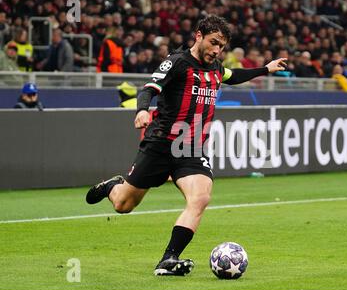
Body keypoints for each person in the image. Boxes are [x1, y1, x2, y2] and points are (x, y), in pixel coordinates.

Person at [85, 15, 287, 276]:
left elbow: (233, 75)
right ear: (199, 35)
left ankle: (169, 259)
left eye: (221, 46)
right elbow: (148, 88)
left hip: (192, 150)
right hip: (160, 145)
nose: (216, 50)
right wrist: (143, 110)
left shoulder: (215, 68)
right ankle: (114, 186)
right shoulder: (177, 62)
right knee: (123, 205)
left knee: (200, 198)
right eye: (213, 43)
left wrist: (265, 69)